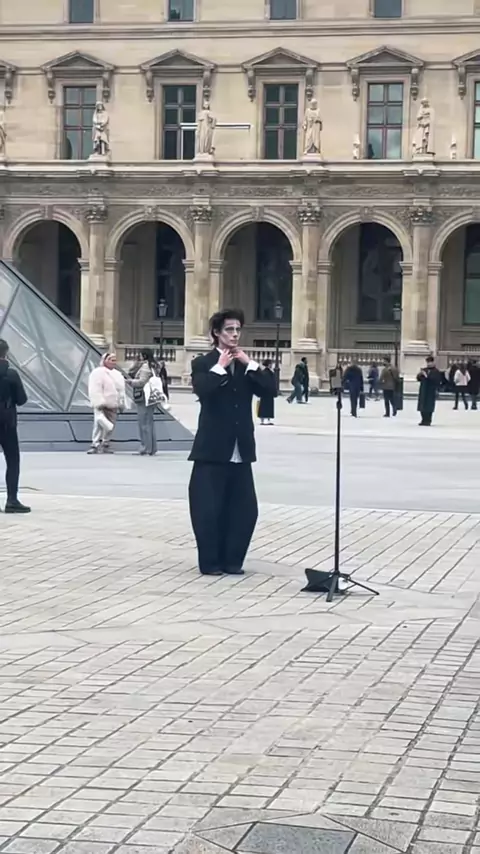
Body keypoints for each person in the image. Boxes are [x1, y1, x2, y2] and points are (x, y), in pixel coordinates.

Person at [188, 308, 268, 577]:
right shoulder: (203, 363)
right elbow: (203, 390)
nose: (235, 335)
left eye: (237, 330)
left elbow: (270, 390)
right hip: (211, 449)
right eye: (229, 330)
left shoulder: (246, 366)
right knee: (208, 509)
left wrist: (251, 364)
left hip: (240, 450)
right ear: (216, 333)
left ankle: (233, 561)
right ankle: (211, 562)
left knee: (245, 510)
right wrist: (220, 367)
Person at [0, 339, 30, 514]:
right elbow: (21, 399)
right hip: (7, 423)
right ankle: (12, 500)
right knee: (12, 461)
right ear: (6, 353)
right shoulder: (11, 374)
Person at [88, 353, 126, 454]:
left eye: (115, 360)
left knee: (110, 425)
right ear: (105, 360)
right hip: (102, 403)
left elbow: (121, 390)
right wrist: (99, 401)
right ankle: (95, 444)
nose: (114, 362)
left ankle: (106, 443)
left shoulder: (118, 374)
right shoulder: (97, 373)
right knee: (98, 424)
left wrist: (121, 402)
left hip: (113, 403)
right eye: (111, 360)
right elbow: (95, 389)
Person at [128, 348, 161, 456]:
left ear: (144, 355)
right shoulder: (155, 365)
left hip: (143, 397)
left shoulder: (146, 366)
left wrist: (130, 382)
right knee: (149, 422)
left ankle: (145, 447)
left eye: (141, 355)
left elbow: (141, 382)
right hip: (152, 396)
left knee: (143, 423)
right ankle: (152, 447)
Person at [417, 355, 442, 426]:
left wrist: (427, 376)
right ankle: (423, 419)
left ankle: (428, 420)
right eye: (428, 362)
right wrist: (420, 375)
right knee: (422, 405)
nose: (429, 364)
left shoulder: (436, 371)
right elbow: (419, 379)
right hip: (423, 389)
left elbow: (436, 380)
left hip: (431, 390)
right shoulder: (424, 370)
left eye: (430, 362)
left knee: (429, 406)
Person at [257, 359, 277, 425]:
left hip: (267, 392)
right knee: (266, 406)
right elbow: (268, 383)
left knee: (266, 405)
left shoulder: (267, 372)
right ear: (269, 364)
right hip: (267, 392)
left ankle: (266, 418)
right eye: (271, 364)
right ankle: (265, 418)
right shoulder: (267, 373)